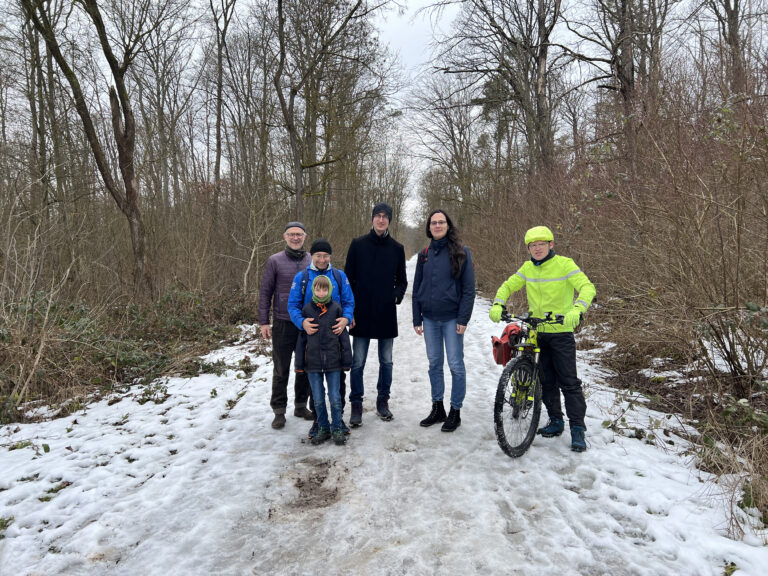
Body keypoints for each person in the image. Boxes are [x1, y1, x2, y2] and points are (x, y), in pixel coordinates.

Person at [488, 225, 596, 452]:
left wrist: (577, 309)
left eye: (541, 244)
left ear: (551, 245)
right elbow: (509, 285)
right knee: (545, 380)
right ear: (528, 248)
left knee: (569, 382)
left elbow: (587, 287)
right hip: (536, 331)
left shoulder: (565, 264)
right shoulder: (528, 267)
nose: (537, 249)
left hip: (560, 331)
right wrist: (498, 302)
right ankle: (555, 420)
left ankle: (577, 428)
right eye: (532, 245)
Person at [344, 202, 408, 425]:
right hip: (361, 313)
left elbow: (402, 281)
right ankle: (356, 405)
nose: (381, 220)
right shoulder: (358, 245)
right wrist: (348, 310)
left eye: (385, 216)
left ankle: (383, 401)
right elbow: (346, 280)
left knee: (386, 362)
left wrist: (395, 297)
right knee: (358, 362)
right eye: (377, 216)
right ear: (372, 218)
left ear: (390, 220)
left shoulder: (397, 249)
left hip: (385, 313)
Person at [412, 209, 476, 432]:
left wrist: (463, 318)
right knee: (434, 364)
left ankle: (455, 411)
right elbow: (417, 287)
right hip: (429, 320)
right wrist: (416, 317)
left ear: (448, 225)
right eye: (433, 223)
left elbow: (469, 289)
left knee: (456, 365)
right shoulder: (424, 254)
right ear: (428, 228)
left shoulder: (461, 252)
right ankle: (437, 407)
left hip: (452, 320)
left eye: (441, 222)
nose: (437, 226)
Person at [288, 238, 355, 438]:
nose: (322, 259)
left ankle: (338, 419)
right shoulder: (302, 278)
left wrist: (346, 318)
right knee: (314, 386)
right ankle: (319, 421)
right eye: (318, 255)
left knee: (338, 384)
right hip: (313, 340)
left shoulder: (339, 275)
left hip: (334, 339)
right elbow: (292, 305)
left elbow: (349, 301)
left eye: (326, 256)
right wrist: (302, 323)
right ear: (312, 256)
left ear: (330, 257)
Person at [258, 221, 314, 430]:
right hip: (282, 322)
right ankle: (279, 411)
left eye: (299, 234)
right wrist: (264, 321)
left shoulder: (312, 260)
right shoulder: (275, 261)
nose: (295, 237)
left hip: (306, 323)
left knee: (304, 367)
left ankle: (301, 405)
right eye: (291, 234)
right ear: (285, 237)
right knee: (281, 368)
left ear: (305, 237)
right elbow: (265, 292)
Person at [295, 275, 353, 445]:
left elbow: (343, 337)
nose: (321, 293)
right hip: (313, 364)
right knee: (318, 398)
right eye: (318, 289)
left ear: (330, 290)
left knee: (335, 397)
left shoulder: (336, 309)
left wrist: (347, 360)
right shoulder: (306, 311)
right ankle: (323, 427)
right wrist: (299, 364)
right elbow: (302, 340)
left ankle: (336, 427)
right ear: (313, 290)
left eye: (325, 289)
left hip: (334, 363)